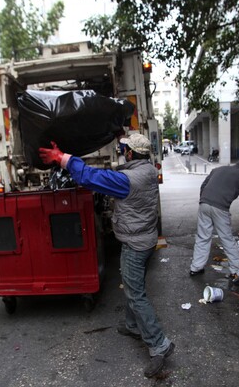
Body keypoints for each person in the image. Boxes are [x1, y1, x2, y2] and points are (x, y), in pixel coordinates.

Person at [38, 133, 174, 378]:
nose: (123, 152)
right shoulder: (148, 170)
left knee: (135, 293)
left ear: (131, 154)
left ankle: (159, 344)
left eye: (125, 149)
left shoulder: (127, 180)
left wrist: (63, 158)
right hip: (143, 238)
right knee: (134, 286)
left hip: (136, 243)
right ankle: (133, 326)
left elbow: (90, 177)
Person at [189, 158, 239, 278]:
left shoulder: (218, 169)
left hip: (204, 204)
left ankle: (196, 267)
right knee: (227, 238)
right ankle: (235, 269)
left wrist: (204, 200)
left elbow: (203, 185)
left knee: (203, 237)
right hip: (221, 207)